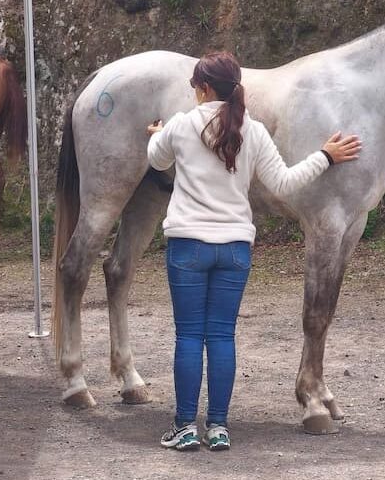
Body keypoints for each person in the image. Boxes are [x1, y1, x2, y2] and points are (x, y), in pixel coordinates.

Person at [147, 51, 362, 451]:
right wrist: (324, 157)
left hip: (187, 247)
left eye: (196, 87)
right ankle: (219, 426)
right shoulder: (253, 130)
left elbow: (155, 159)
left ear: (205, 88)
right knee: (222, 336)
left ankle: (184, 426)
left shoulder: (181, 125)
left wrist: (157, 134)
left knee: (190, 336)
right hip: (234, 249)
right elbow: (283, 182)